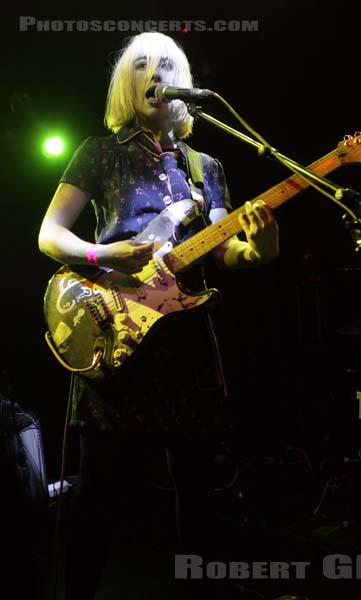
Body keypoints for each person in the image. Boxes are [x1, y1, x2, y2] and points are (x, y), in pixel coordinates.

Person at [38, 31, 279, 600]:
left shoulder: (206, 166)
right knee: (101, 493)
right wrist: (104, 253)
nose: (153, 74)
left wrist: (259, 252)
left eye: (165, 65)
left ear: (182, 84)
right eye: (141, 65)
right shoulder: (98, 153)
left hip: (186, 345)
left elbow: (225, 249)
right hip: (115, 333)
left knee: (199, 493)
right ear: (126, 83)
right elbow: (50, 233)